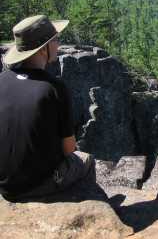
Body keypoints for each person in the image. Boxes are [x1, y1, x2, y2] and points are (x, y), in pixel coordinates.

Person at [0, 15, 95, 201]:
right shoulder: (53, 88)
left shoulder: (2, 80)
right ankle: (91, 206)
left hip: (4, 184)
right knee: (86, 160)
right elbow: (69, 149)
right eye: (56, 40)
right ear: (44, 49)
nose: (59, 45)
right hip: (35, 185)